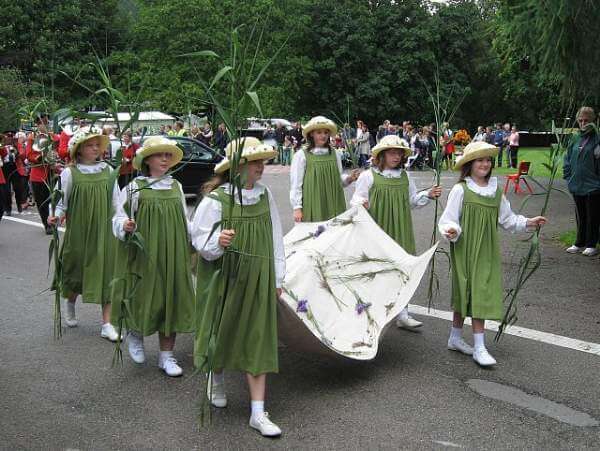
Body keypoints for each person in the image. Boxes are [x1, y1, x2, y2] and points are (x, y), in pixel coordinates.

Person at [191, 137, 285, 437]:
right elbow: (200, 243)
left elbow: (276, 237)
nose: (262, 167)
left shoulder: (264, 195)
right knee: (223, 332)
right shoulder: (216, 200)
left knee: (258, 338)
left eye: (262, 161)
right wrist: (218, 242)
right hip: (225, 278)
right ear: (238, 166)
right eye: (255, 162)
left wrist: (278, 278)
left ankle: (258, 412)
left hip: (258, 277)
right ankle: (215, 379)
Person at [438, 142, 547, 367]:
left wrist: (528, 222)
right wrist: (452, 230)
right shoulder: (461, 190)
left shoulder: (496, 192)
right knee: (464, 291)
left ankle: (477, 346)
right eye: (480, 160)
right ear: (469, 164)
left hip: (485, 250)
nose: (485, 163)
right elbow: (448, 218)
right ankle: (457, 338)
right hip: (464, 248)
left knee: (480, 292)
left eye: (488, 160)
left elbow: (508, 220)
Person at [112, 137, 195, 376]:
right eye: (160, 155)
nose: (165, 159)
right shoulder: (134, 187)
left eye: (168, 155)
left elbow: (184, 219)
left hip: (173, 252)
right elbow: (118, 218)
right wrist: (124, 226)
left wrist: (201, 239)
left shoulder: (175, 186)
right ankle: (135, 333)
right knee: (144, 293)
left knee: (171, 298)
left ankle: (166, 356)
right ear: (147, 159)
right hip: (145, 253)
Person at [351, 135, 442, 329]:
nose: (396, 156)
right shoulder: (369, 176)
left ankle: (403, 313)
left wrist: (427, 194)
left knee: (403, 268)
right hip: (378, 229)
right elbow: (356, 199)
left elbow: (412, 201)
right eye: (392, 152)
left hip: (401, 228)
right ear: (382, 155)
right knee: (378, 270)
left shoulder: (405, 176)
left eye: (399, 153)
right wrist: (361, 204)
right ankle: (374, 314)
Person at [47, 127, 121, 341]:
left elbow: (117, 203)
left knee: (107, 274)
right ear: (78, 150)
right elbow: (62, 202)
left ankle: (107, 324)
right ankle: (70, 303)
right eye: (90, 145)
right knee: (76, 271)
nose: (96, 148)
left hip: (104, 231)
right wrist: (56, 216)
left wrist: (122, 224)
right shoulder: (70, 173)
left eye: (98, 144)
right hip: (79, 230)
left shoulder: (108, 171)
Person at [290, 116, 359, 222]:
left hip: (334, 200)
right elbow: (296, 184)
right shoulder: (301, 155)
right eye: (319, 132)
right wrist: (297, 208)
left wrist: (350, 178)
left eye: (326, 132)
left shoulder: (335, 153)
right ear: (311, 133)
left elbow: (338, 179)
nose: (323, 135)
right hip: (313, 201)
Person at [563, 106, 600, 257]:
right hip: (576, 183)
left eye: (586, 120)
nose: (583, 123)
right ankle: (579, 242)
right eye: (580, 120)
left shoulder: (597, 138)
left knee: (593, 215)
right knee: (581, 215)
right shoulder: (574, 138)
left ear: (593, 121)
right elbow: (567, 158)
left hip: (593, 185)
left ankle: (592, 244)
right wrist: (568, 176)